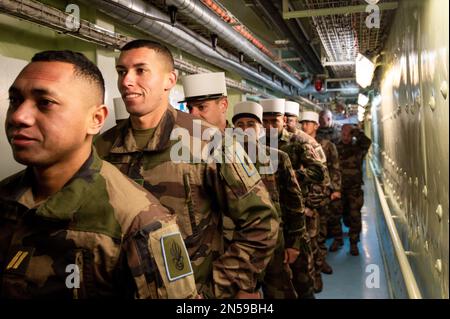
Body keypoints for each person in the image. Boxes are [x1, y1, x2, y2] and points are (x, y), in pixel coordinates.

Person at [0, 50, 197, 299]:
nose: (19, 117)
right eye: (15, 101)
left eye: (45, 103)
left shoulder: (140, 224)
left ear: (95, 119)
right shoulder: (7, 197)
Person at [94, 39, 279, 299]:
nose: (126, 81)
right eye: (122, 71)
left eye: (140, 70)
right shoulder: (101, 147)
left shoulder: (208, 142)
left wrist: (216, 287)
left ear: (170, 80)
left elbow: (262, 223)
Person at [232, 101, 307, 299]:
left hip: (275, 244)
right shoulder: (224, 160)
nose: (245, 129)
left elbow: (293, 203)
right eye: (239, 125)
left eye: (251, 124)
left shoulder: (278, 158)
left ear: (260, 129)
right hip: (239, 247)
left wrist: (294, 243)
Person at [260, 98, 327, 298]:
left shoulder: (299, 142)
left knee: (302, 278)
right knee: (274, 284)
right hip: (269, 220)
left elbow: (321, 173)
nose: (270, 126)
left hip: (294, 216)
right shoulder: (256, 143)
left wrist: (293, 175)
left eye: (275, 120)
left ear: (284, 120)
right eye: (266, 120)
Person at [300, 111, 341, 279]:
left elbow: (335, 168)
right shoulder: (297, 145)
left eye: (308, 123)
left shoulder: (327, 145)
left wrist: (336, 189)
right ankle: (311, 269)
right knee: (306, 235)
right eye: (302, 123)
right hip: (304, 196)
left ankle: (320, 262)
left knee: (321, 232)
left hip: (322, 196)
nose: (304, 126)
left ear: (316, 126)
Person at [332, 124, 372, 256]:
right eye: (343, 134)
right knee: (335, 214)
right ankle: (338, 240)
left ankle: (354, 243)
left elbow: (367, 142)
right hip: (338, 188)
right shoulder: (335, 148)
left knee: (355, 216)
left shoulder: (358, 148)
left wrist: (356, 131)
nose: (345, 137)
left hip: (354, 189)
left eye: (348, 134)